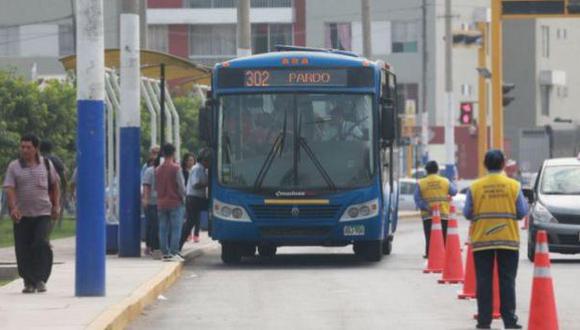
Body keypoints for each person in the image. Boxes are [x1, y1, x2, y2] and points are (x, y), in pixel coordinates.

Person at [463, 149, 528, 329]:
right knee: (507, 281)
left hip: (482, 240)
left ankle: (484, 321)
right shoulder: (513, 186)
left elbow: (467, 213)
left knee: (483, 281)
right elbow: (522, 212)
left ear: (485, 165)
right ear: (502, 165)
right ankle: (509, 320)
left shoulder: (475, 187)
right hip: (508, 240)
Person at [2, 133, 60, 293]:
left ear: (36, 149)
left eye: (28, 147)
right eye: (22, 147)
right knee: (23, 249)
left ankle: (40, 279)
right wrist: (13, 207)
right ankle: (28, 281)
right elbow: (10, 188)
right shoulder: (14, 166)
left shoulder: (47, 165)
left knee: (40, 244)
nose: (25, 150)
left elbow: (55, 186)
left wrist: (56, 206)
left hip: (43, 213)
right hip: (22, 215)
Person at [413, 160, 457, 258]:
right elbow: (454, 191)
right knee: (443, 235)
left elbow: (417, 199)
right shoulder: (445, 181)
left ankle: (429, 253)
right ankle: (443, 253)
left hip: (428, 215)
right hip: (443, 214)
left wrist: (426, 207)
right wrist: (453, 180)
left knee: (429, 235)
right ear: (437, 170)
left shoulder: (421, 183)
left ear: (426, 171)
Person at [155, 143, 186, 262]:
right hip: (175, 202)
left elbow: (155, 186)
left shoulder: (157, 170)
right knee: (176, 228)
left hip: (161, 202)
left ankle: (165, 252)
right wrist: (184, 198)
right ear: (173, 153)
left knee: (163, 228)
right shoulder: (176, 168)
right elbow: (181, 186)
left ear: (162, 153)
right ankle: (174, 252)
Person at [180, 148, 210, 249]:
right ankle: (178, 244)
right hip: (194, 199)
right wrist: (207, 183)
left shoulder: (201, 169)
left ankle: (178, 244)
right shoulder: (197, 168)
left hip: (196, 198)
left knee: (191, 222)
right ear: (204, 160)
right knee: (190, 223)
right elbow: (195, 184)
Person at [39, 140, 67, 223]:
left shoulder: (36, 159)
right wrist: (64, 188)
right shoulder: (55, 159)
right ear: (51, 148)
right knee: (52, 211)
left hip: (39, 189)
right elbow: (62, 175)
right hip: (53, 189)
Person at [142, 158, 161, 259]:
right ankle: (154, 248)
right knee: (154, 226)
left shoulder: (162, 170)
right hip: (151, 202)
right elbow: (146, 185)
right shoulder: (149, 171)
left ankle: (154, 247)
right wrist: (145, 199)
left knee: (156, 226)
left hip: (161, 202)